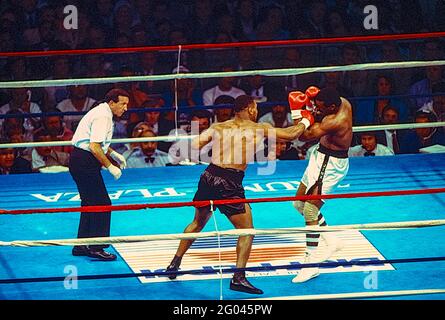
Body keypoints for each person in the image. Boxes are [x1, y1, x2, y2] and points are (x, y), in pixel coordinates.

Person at [166, 95, 314, 294]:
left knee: (198, 223)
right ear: (249, 109)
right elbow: (291, 134)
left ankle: (174, 263)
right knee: (247, 230)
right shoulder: (258, 128)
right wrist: (306, 118)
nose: (257, 111)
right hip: (229, 182)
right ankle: (238, 277)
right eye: (255, 107)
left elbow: (195, 146)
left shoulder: (219, 126)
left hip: (209, 175)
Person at [291, 87, 353, 283]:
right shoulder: (343, 100)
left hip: (331, 165)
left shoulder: (333, 121)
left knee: (309, 210)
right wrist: (311, 103)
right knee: (298, 204)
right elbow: (320, 109)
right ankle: (331, 239)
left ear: (332, 107)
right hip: (320, 156)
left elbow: (301, 135)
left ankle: (311, 265)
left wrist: (297, 111)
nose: (317, 111)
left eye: (320, 108)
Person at [69, 88, 129, 261]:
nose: (125, 108)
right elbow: (94, 147)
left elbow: (97, 142)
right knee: (102, 202)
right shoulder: (103, 116)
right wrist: (111, 166)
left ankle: (81, 244)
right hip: (85, 161)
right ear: (112, 103)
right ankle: (97, 247)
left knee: (89, 202)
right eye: (122, 104)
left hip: (80, 159)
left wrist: (113, 154)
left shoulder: (102, 111)